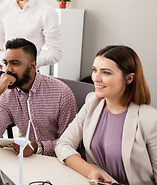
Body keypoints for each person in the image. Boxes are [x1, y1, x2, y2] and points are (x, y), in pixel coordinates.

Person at [55, 45, 157, 184]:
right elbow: (63, 144)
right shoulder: (92, 102)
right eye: (94, 70)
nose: (96, 78)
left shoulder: (150, 119)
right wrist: (90, 171)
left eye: (106, 72)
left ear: (129, 78)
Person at [0, 38, 77, 157]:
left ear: (32, 65)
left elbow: (70, 143)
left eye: (15, 63)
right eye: (6, 63)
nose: (8, 69)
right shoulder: (6, 95)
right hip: (26, 160)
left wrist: (37, 147)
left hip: (59, 161)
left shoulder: (61, 93)